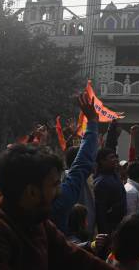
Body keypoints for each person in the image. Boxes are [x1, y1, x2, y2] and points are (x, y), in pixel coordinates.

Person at [0, 135, 114, 269]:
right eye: (54, 184)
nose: (59, 191)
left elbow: (76, 258)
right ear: (31, 192)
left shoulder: (36, 222)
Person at [51, 92, 100, 235]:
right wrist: (92, 121)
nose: (57, 186)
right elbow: (82, 162)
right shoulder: (60, 201)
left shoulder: (11, 213)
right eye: (54, 183)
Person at [94, 147, 127, 234]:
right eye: (111, 157)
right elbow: (100, 213)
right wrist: (105, 234)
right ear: (102, 161)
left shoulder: (115, 176)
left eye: (115, 157)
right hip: (110, 230)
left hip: (120, 227)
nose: (115, 159)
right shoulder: (101, 182)